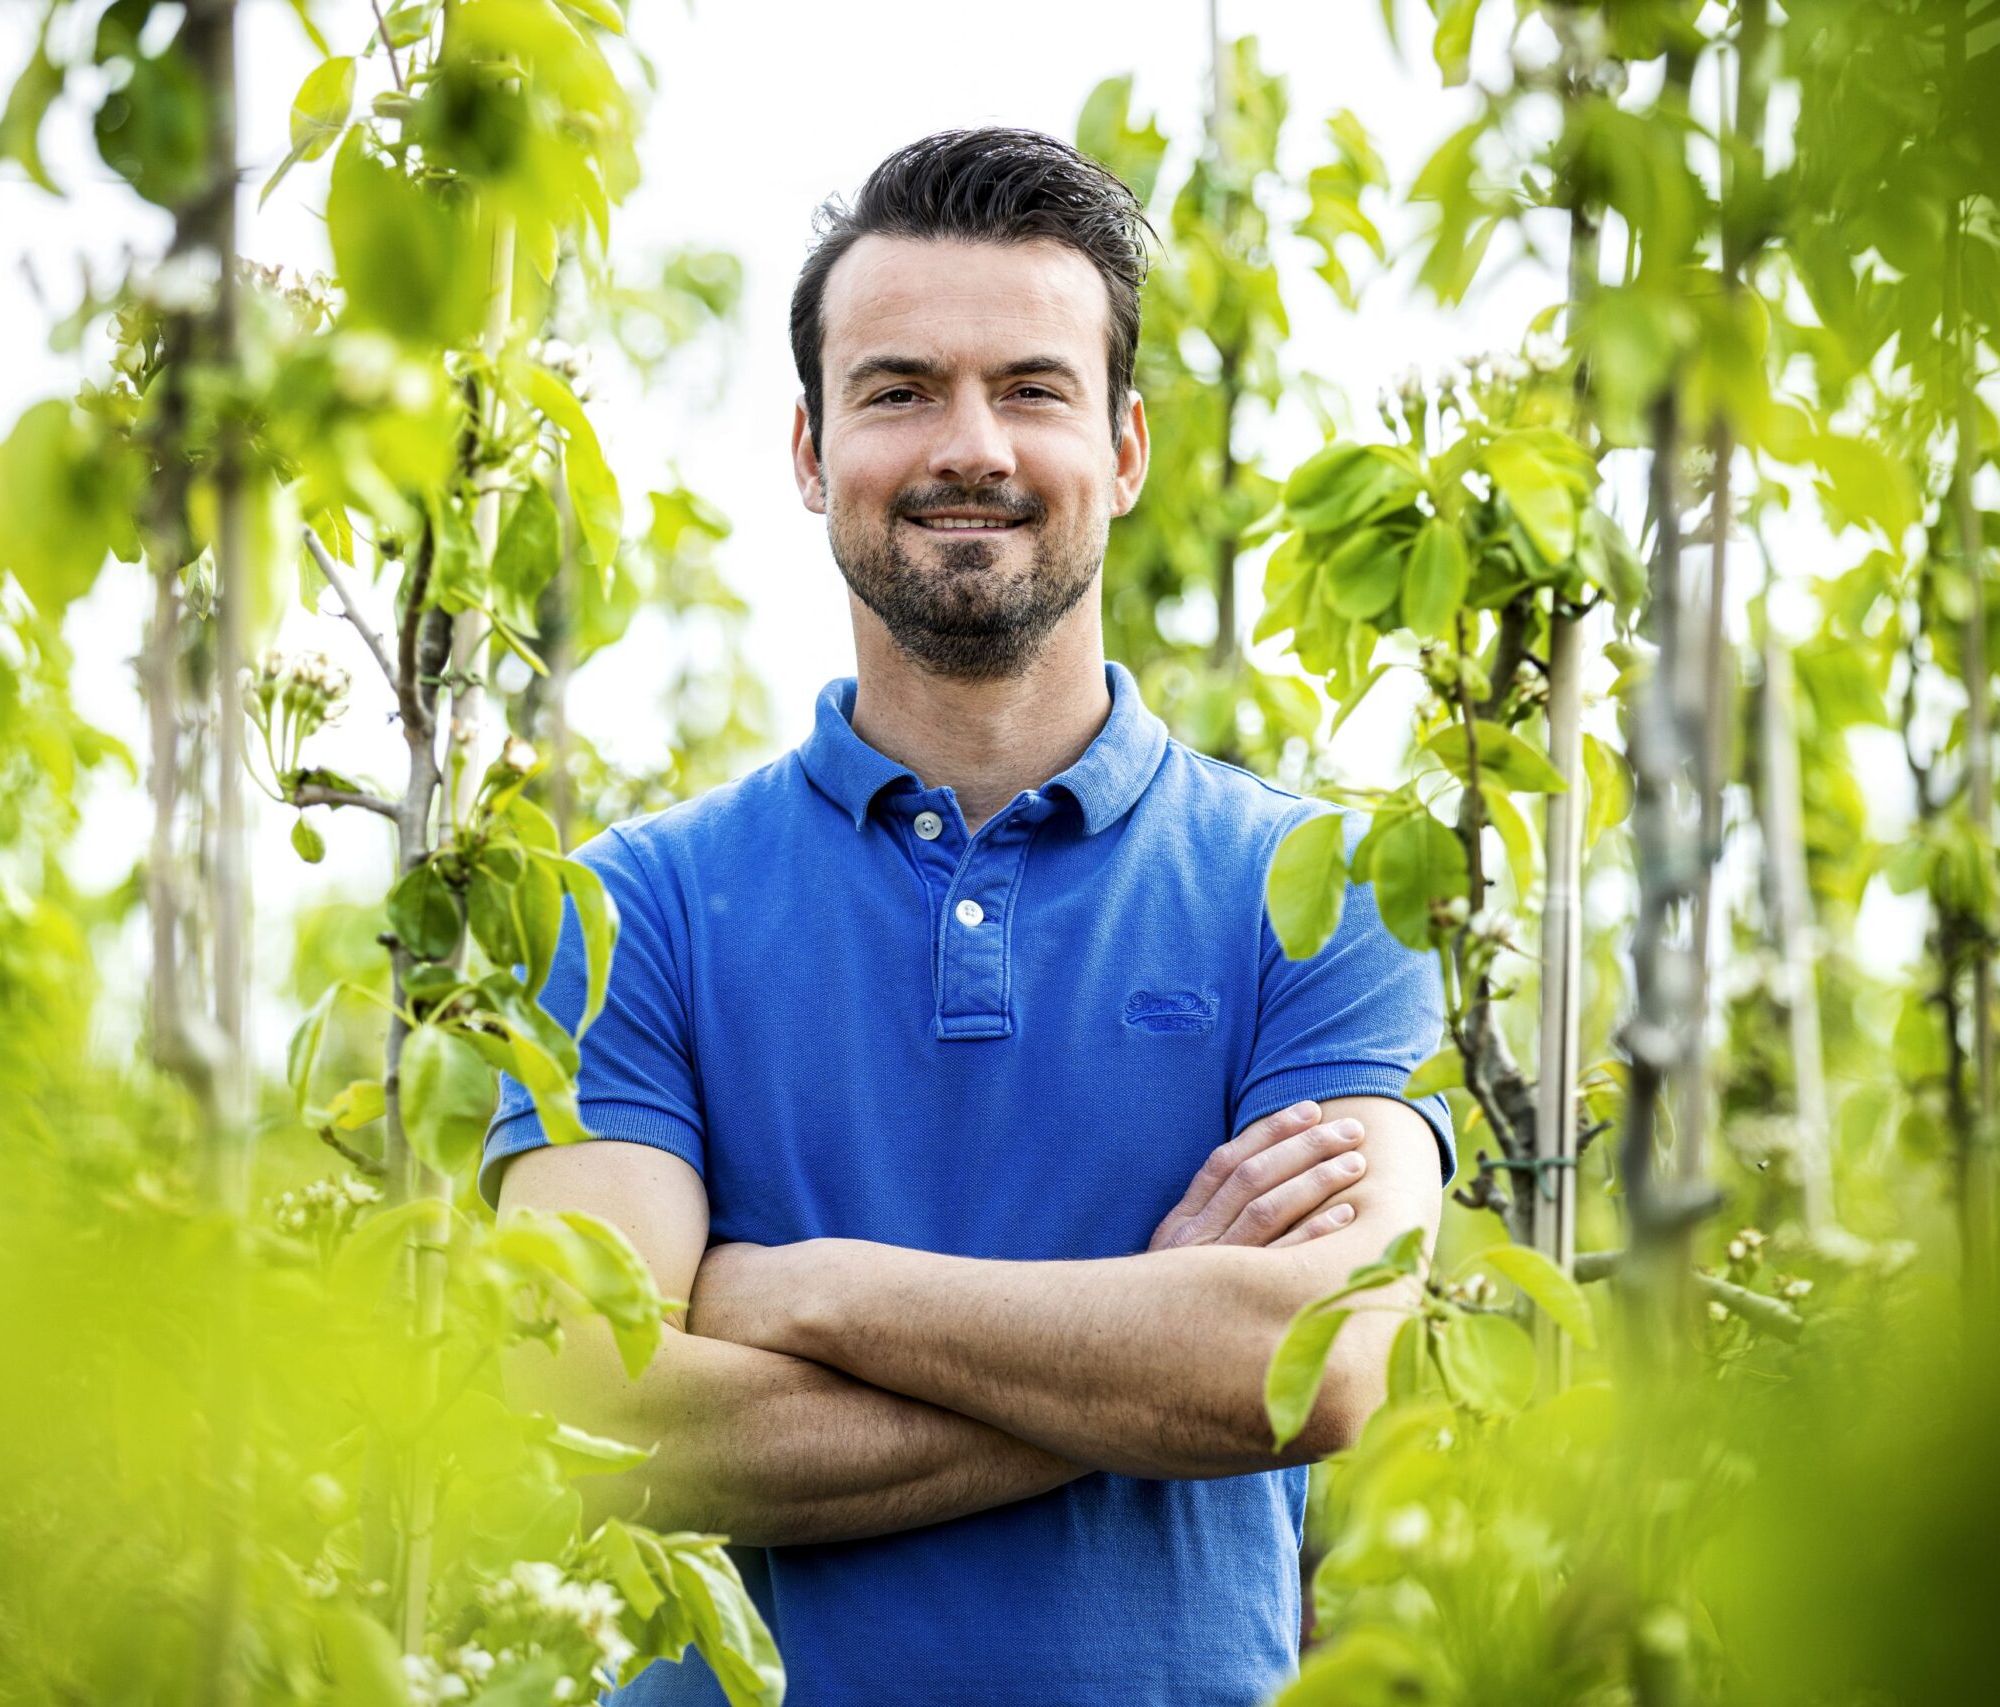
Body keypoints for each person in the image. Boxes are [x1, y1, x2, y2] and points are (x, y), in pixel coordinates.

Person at [480, 127, 1452, 1707]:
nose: (971, 444)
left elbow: (1316, 1362)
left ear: (1126, 450)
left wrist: (802, 1288)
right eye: (899, 388)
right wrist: (1142, 1352)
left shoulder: (1319, 886)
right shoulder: (628, 907)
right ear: (809, 451)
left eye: (1033, 388)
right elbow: (584, 1404)